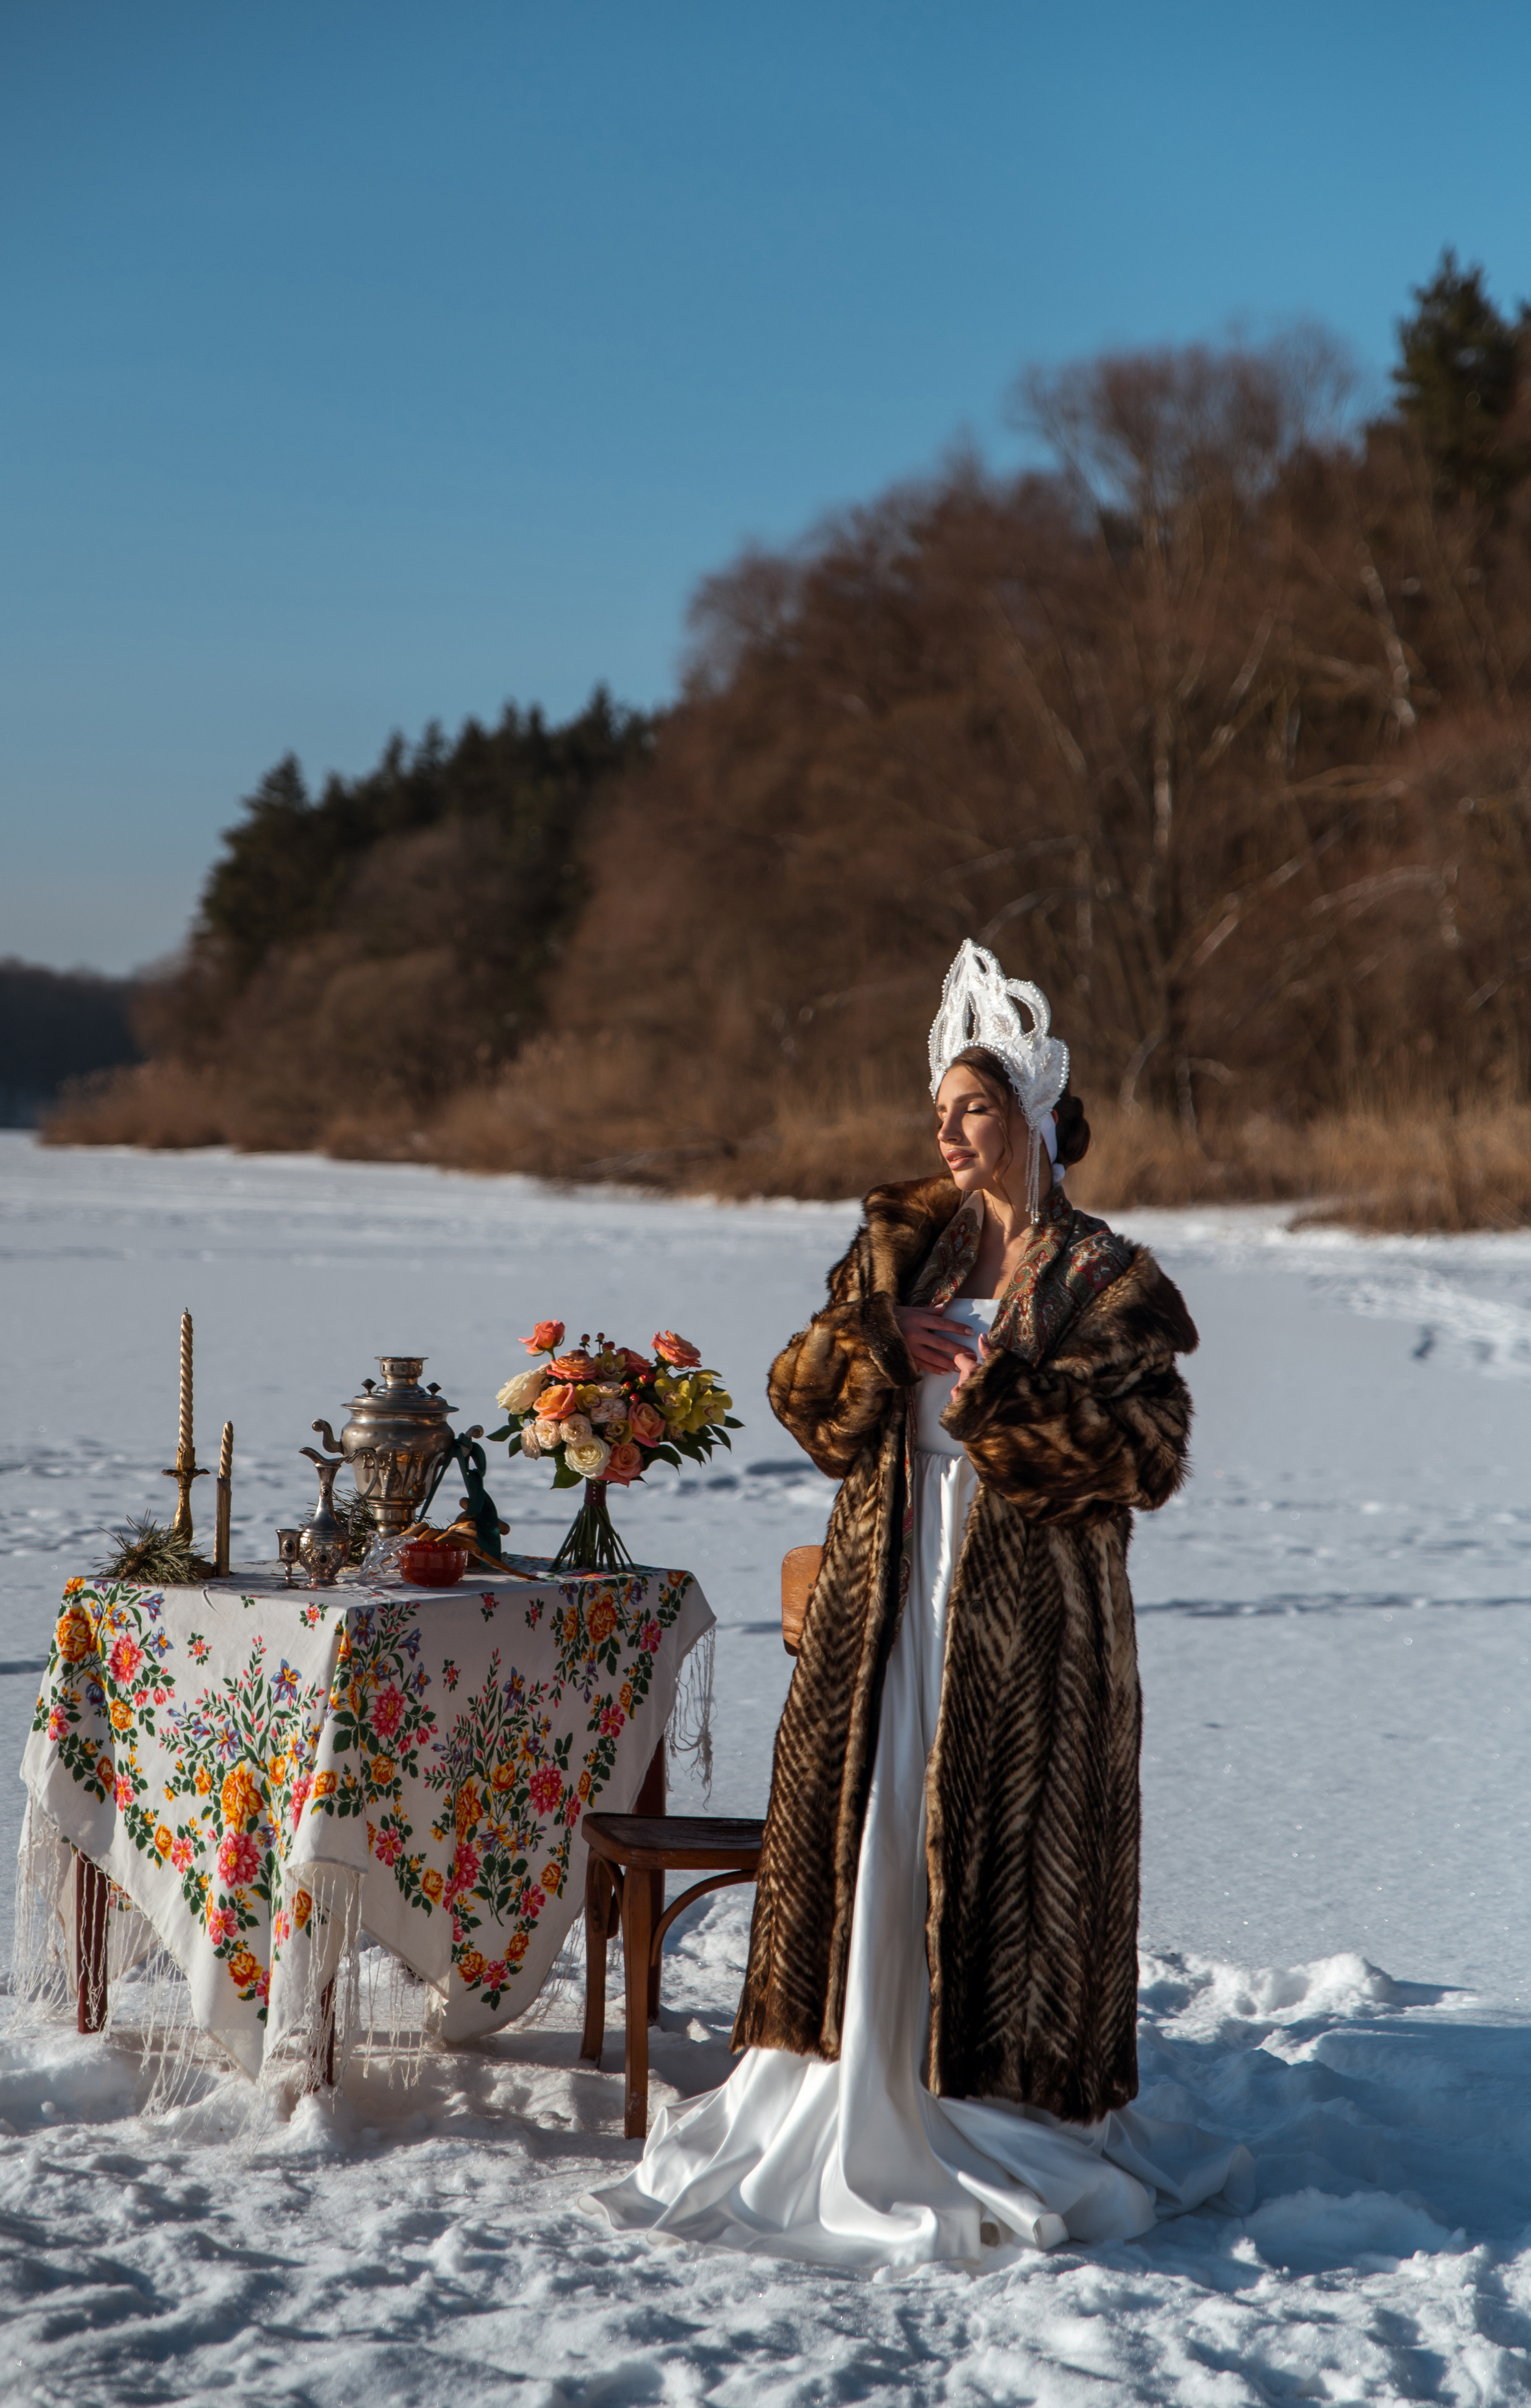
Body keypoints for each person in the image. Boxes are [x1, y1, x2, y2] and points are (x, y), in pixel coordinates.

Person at [587, 943, 1252, 2268]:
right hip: (884, 1603)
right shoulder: (897, 1245)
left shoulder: (1098, 1277)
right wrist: (874, 1345)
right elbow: (803, 1401)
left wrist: (999, 1404)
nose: (948, 1135)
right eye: (937, 1113)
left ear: (1029, 1118)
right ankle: (852, 2082)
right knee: (878, 1832)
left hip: (1030, 1628)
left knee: (1007, 1859)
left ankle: (992, 2102)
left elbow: (1151, 1457)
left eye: (973, 1110)